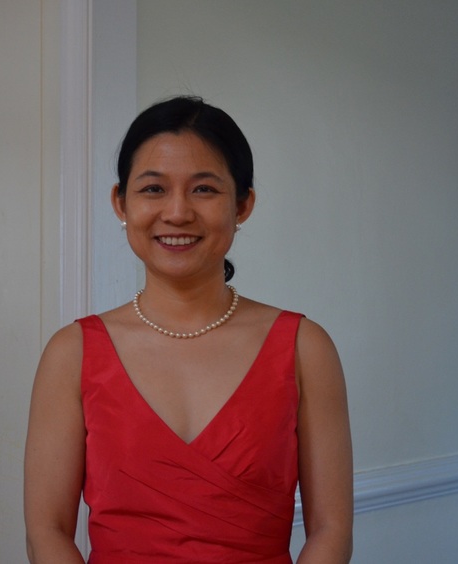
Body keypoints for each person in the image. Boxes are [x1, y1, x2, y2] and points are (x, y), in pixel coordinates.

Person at [24, 96, 353, 563]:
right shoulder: (71, 353)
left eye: (203, 189)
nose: (177, 212)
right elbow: (47, 531)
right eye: (153, 189)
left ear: (243, 204)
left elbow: (331, 529)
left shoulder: (304, 348)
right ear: (121, 203)